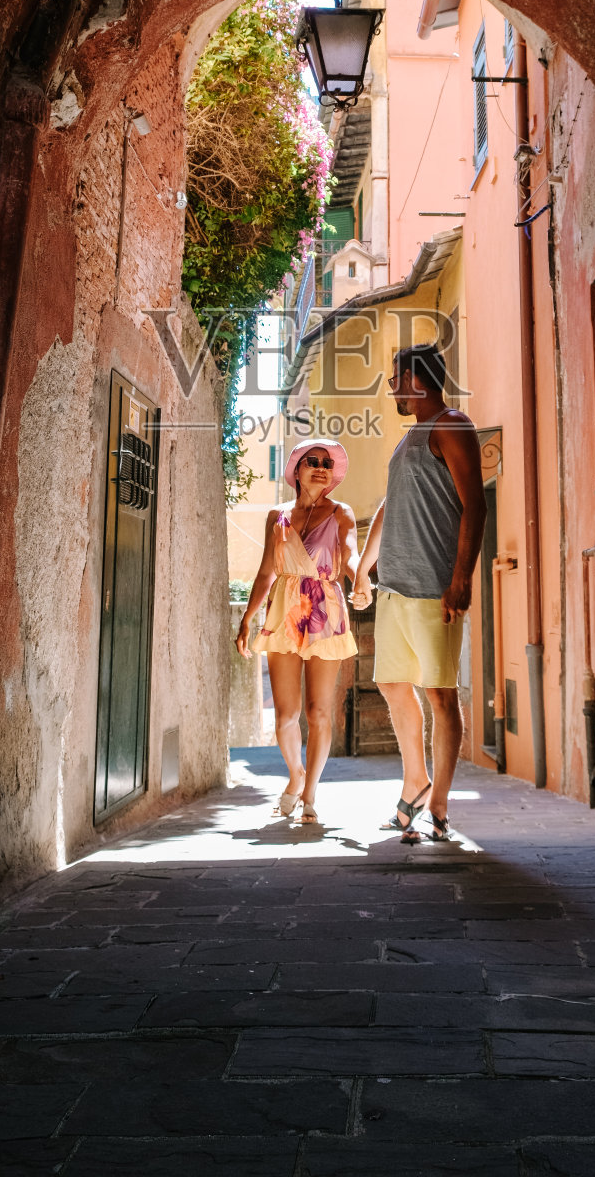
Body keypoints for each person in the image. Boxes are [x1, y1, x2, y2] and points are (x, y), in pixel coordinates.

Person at [350, 343, 486, 841]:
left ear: (416, 381)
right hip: (394, 589)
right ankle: (416, 782)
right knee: (392, 684)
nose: (392, 391)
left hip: (434, 589)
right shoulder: (408, 440)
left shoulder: (453, 426)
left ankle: (440, 807)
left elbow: (476, 506)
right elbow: (389, 509)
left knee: (440, 695)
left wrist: (461, 579)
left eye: (395, 381)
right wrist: (363, 571)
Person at [235, 438, 360, 825]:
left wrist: (362, 580)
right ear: (296, 470)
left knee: (318, 711)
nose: (321, 467)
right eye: (312, 461)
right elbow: (265, 572)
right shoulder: (277, 516)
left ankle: (310, 793)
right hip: (284, 612)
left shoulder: (340, 512)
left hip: (325, 611)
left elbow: (350, 554)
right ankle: (295, 775)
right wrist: (247, 618)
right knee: (286, 716)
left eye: (327, 463)